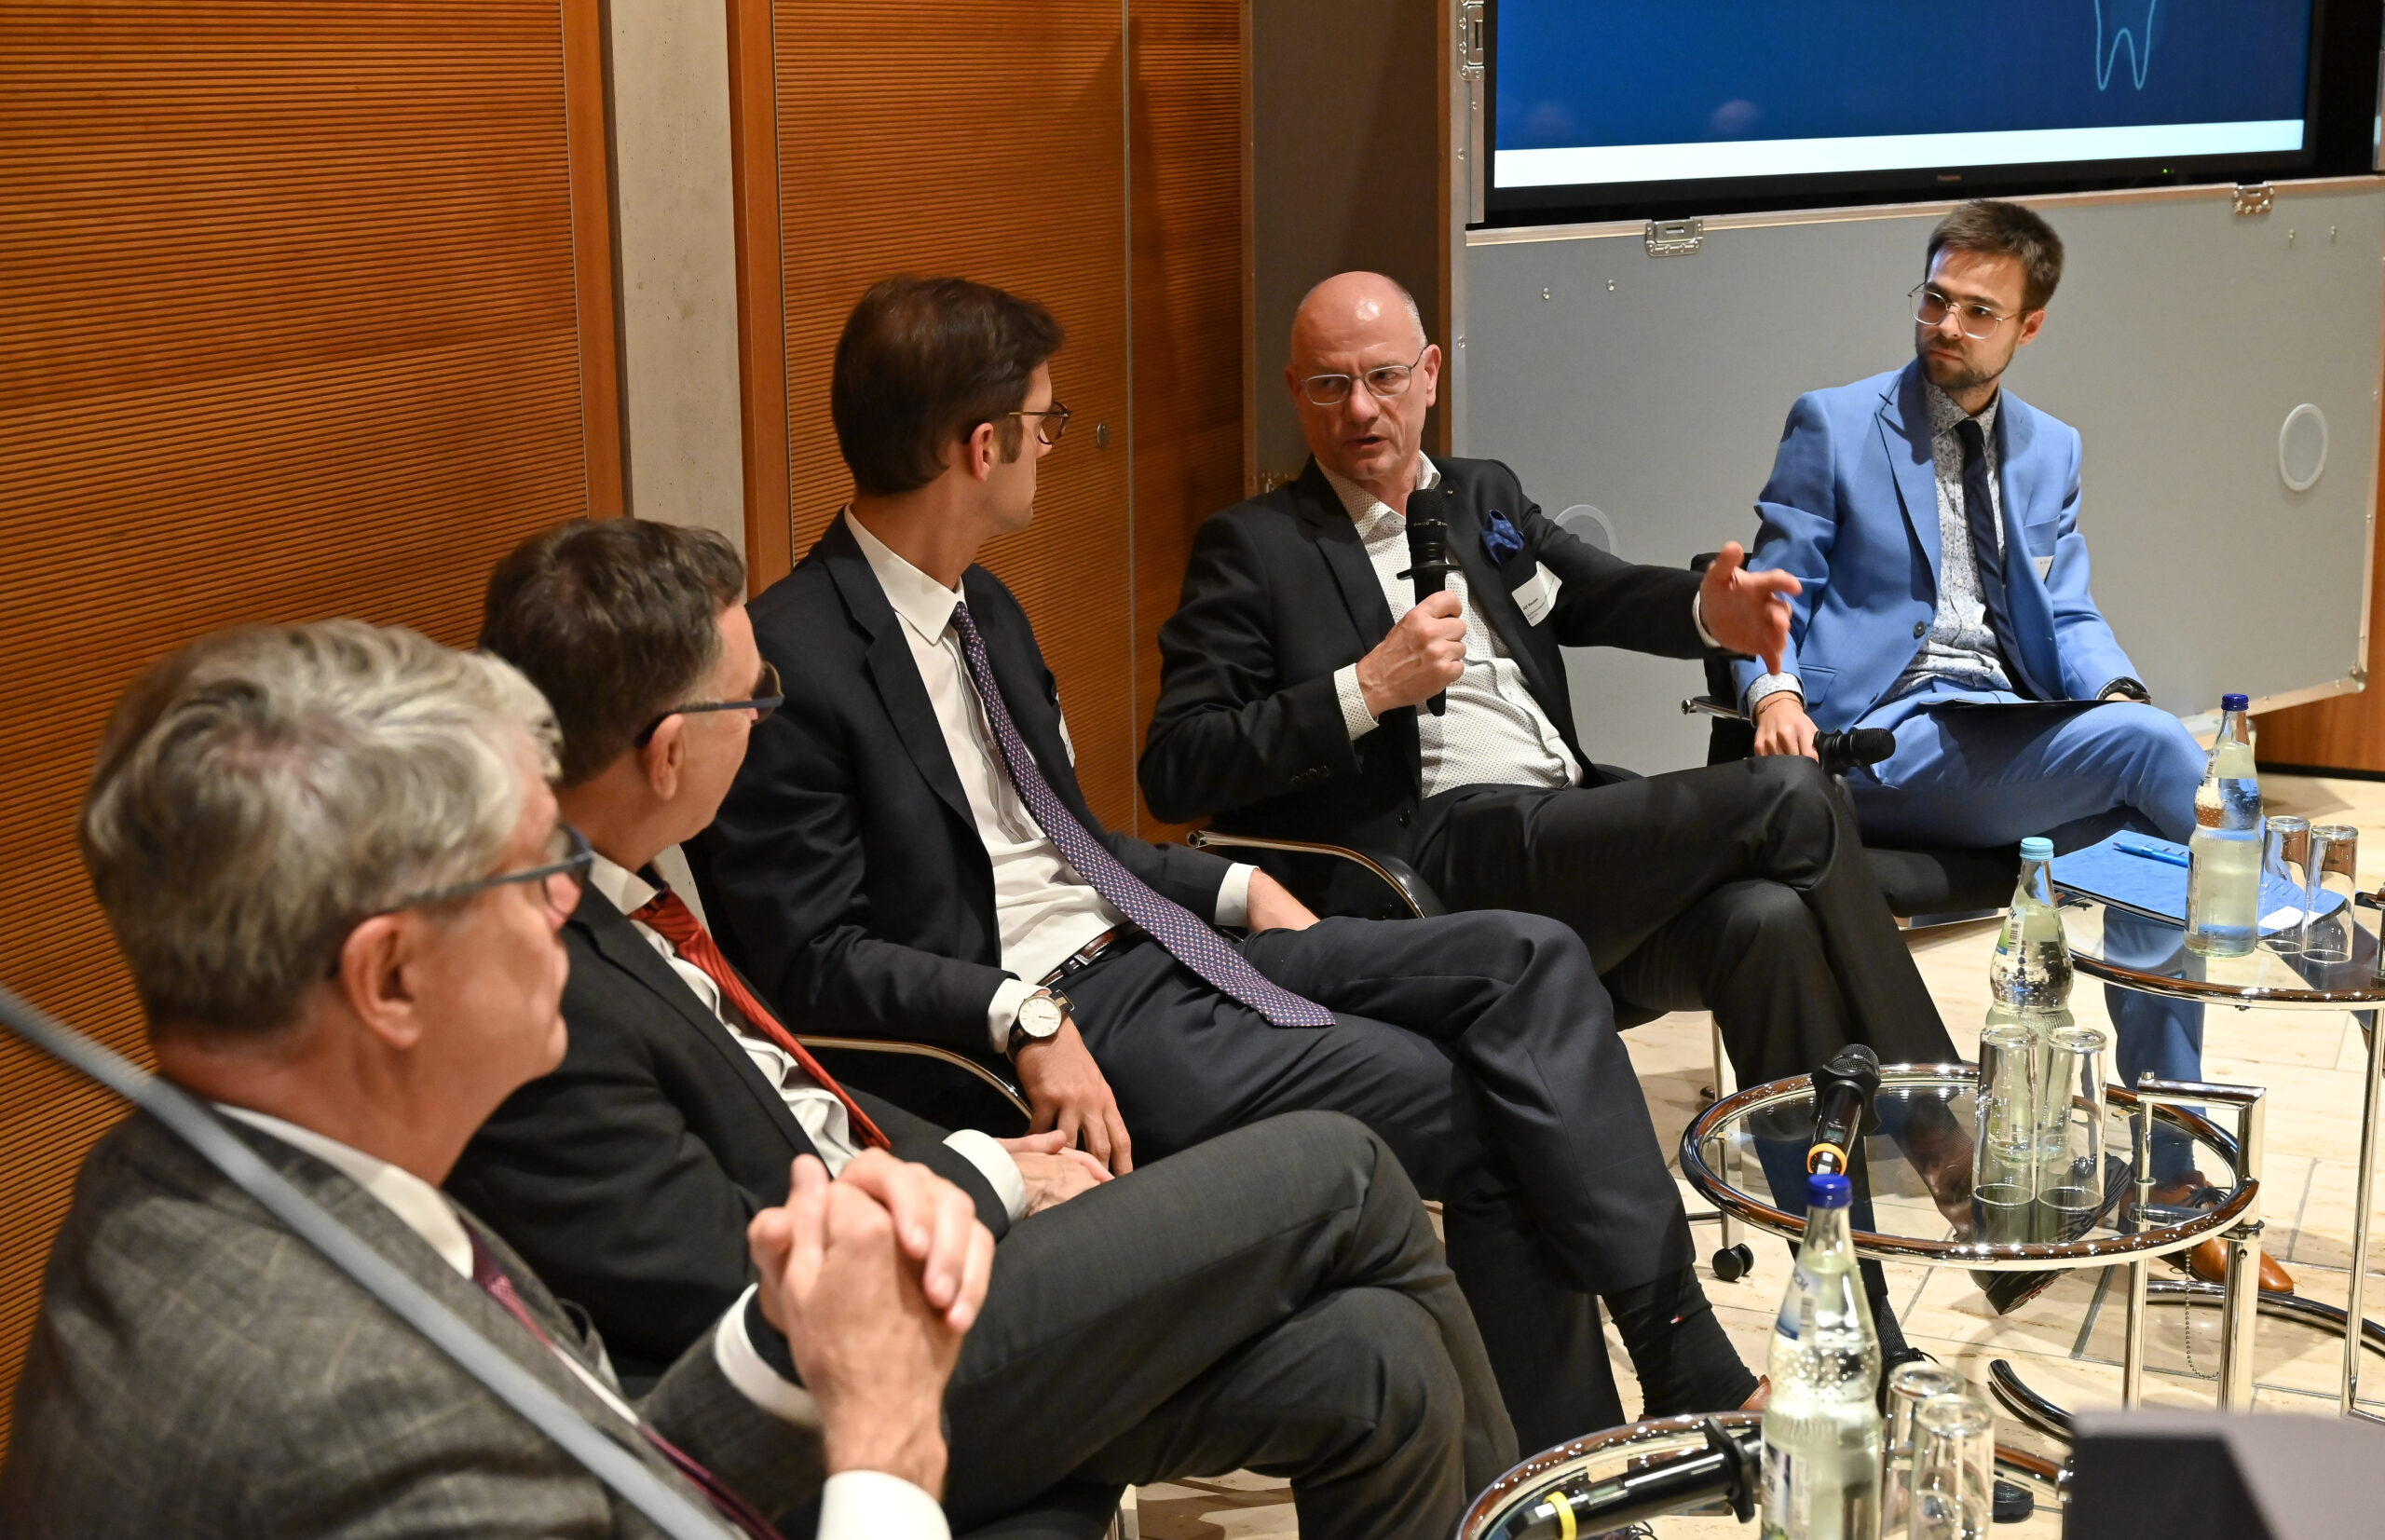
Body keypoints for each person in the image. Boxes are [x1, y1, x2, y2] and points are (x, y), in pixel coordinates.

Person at [695, 275, 1765, 1451]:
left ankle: (1672, 1358)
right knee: (1487, 1107)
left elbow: (1064, 836)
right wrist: (1018, 1013)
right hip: (1066, 1016)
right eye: (1044, 422)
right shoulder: (791, 657)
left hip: (1166, 946)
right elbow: (810, 960)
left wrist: (1237, 886)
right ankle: (1562, 1482)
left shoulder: (983, 606)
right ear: (980, 444)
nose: (1054, 444)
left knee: (1533, 959)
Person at [447, 515, 1514, 1540]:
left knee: (1380, 1356)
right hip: (840, 1389)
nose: (768, 715)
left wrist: (996, 1160)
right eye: (752, 697)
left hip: (925, 1254)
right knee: (1344, 1167)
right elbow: (733, 1273)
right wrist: (994, 1178)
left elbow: (802, 1107)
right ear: (671, 752)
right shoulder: (535, 983)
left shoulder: (619, 903)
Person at [0, 621, 975, 1538]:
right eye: (534, 868)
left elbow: (580, 1483)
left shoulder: (179, 1170)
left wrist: (794, 1333)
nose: (570, 900)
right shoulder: (370, 1425)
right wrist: (885, 1446)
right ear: (392, 977)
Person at [1138, 268, 1960, 1099]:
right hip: (1430, 855)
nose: (1359, 408)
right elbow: (1177, 766)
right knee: (1792, 792)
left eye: (1383, 377)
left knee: (1765, 922)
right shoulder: (1254, 547)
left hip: (1559, 832)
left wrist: (1706, 613)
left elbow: (1593, 591)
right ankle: (1936, 1113)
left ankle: (1825, 1183)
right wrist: (1367, 688)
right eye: (1329, 384)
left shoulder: (1479, 494)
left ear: (1429, 373)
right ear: (1294, 390)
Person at [1728, 201, 2283, 1291]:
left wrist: (2112, 693)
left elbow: (2066, 613)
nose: (1947, 324)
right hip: (1882, 738)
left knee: (2149, 846)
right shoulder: (1835, 423)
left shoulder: (2050, 449)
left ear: (2029, 326)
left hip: (2000, 728)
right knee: (2151, 759)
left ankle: (2170, 1180)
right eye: (1935, 299)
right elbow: (1770, 592)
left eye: (1978, 311)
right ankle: (2283, 914)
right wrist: (1772, 691)